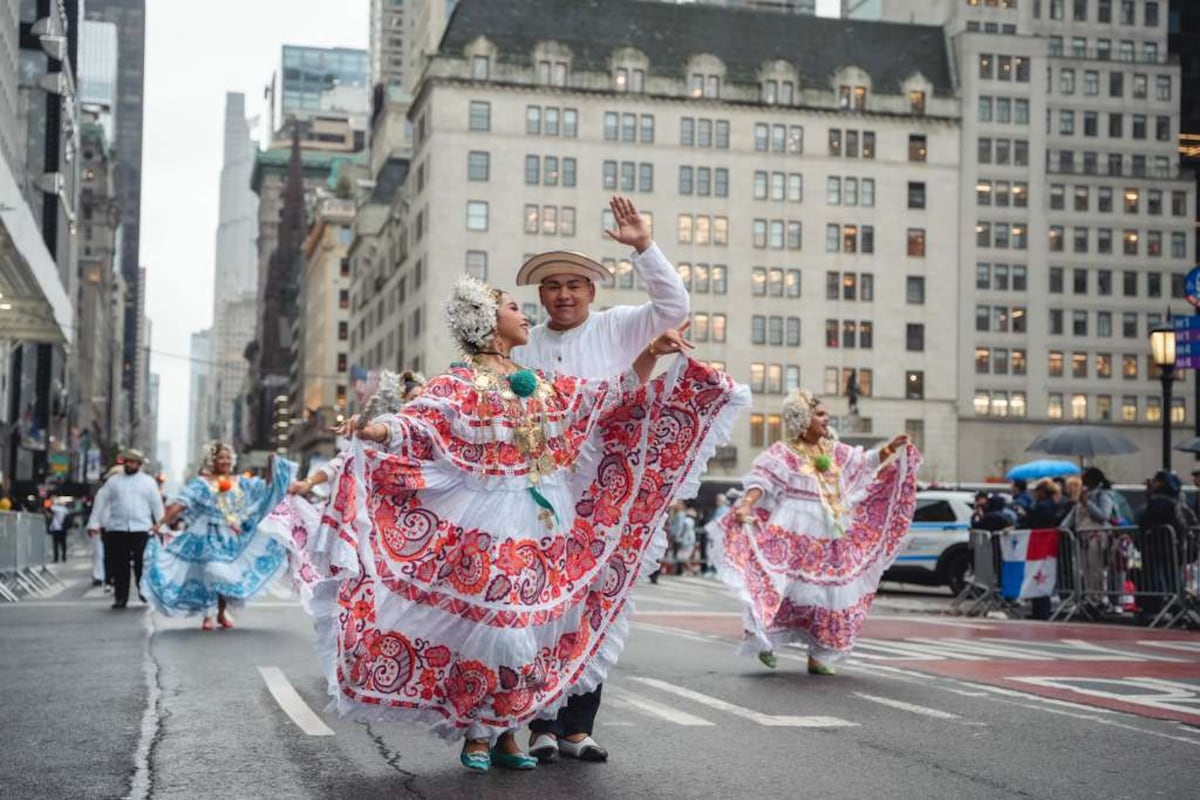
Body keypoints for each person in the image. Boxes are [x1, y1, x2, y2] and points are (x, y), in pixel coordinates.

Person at [296, 276, 745, 773]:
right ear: (489, 324)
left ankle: (506, 735)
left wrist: (652, 355)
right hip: (492, 520)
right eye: (514, 308)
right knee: (501, 626)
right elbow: (421, 422)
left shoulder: (535, 381)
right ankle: (478, 732)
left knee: (530, 629)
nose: (526, 314)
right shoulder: (460, 381)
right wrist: (376, 428)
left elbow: (603, 397)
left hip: (547, 517)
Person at [512, 195, 691, 765]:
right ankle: (537, 721)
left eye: (574, 285)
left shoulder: (619, 327)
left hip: (607, 491)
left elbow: (673, 304)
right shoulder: (525, 344)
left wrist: (643, 245)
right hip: (537, 494)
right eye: (551, 286)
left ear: (592, 292)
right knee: (538, 606)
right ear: (540, 296)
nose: (563, 295)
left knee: (595, 605)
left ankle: (576, 727)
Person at [711, 390, 918, 675]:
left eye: (825, 415)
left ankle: (820, 654)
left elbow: (865, 463)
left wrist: (890, 448)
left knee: (828, 593)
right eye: (820, 414)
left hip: (830, 530)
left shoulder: (835, 450)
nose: (826, 419)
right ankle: (766, 641)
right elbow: (762, 481)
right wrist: (746, 504)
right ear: (803, 419)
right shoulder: (783, 452)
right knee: (779, 585)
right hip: (791, 528)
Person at [141, 442, 295, 630]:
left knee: (223, 575)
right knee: (210, 571)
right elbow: (180, 505)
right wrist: (160, 523)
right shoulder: (201, 484)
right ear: (211, 460)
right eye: (221, 457)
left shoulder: (241, 482)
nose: (225, 461)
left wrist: (272, 464)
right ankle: (208, 615)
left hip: (230, 537)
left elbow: (268, 488)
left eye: (228, 457)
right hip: (204, 536)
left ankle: (221, 612)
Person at [286, 370, 424, 498]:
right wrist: (309, 482)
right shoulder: (393, 428)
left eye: (423, 398)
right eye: (413, 398)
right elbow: (343, 461)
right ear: (399, 402)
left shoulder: (434, 432)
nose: (419, 403)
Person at [86, 450, 164, 609]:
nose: (130, 465)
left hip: (141, 528)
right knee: (120, 564)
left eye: (133, 462)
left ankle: (144, 592)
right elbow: (101, 502)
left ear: (139, 465)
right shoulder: (113, 482)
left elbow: (156, 504)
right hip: (117, 528)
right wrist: (93, 523)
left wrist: (161, 525)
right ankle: (120, 597)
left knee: (142, 563)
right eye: (127, 462)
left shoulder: (148, 482)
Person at [1061, 466, 1116, 611]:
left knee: (1096, 569)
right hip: (1082, 537)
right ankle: (1089, 597)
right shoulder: (1083, 495)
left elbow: (1103, 516)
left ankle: (1099, 598)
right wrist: (1061, 528)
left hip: (1097, 536)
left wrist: (1088, 503)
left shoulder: (1103, 495)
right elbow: (1073, 516)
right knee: (1084, 569)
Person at [1024, 479, 1066, 621]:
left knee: (1039, 576)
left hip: (1040, 543)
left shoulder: (1042, 507)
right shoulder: (1053, 504)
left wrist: (1026, 514)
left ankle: (1041, 611)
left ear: (1042, 492)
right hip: (1046, 544)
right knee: (1042, 576)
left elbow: (1033, 522)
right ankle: (1040, 610)